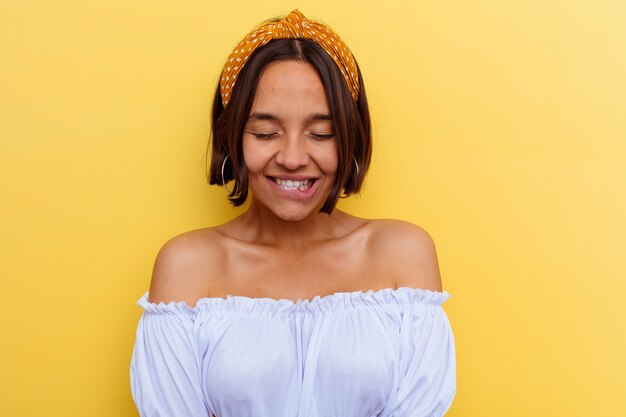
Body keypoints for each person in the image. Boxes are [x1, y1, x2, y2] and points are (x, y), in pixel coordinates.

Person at [130, 9, 456, 417]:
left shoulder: (403, 256)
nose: (293, 158)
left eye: (322, 134)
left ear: (352, 138)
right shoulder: (187, 266)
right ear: (231, 135)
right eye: (265, 133)